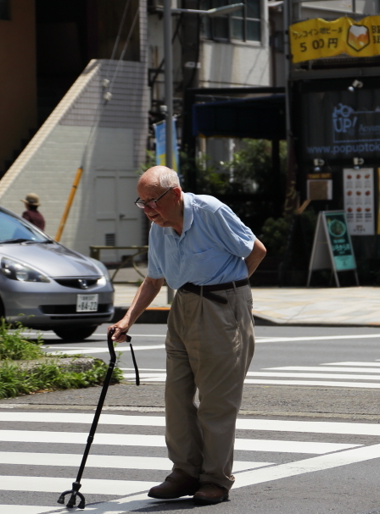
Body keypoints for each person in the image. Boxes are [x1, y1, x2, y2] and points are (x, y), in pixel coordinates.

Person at [111, 166, 266, 505]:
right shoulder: (159, 227)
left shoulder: (210, 211)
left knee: (216, 402)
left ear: (176, 194)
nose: (148, 210)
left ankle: (215, 479)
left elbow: (255, 251)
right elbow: (154, 280)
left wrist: (232, 290)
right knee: (176, 397)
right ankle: (185, 471)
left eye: (153, 202)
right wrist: (127, 320)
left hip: (220, 306)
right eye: (143, 203)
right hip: (182, 306)